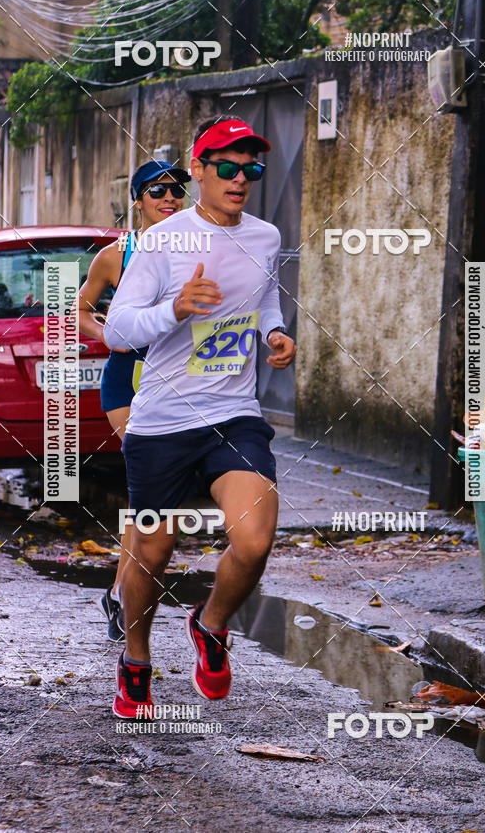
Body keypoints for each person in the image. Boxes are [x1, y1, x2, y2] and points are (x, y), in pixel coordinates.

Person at [104, 116, 297, 716]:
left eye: (252, 169)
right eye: (228, 167)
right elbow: (117, 329)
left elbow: (264, 293)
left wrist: (274, 331)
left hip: (233, 414)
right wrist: (175, 310)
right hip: (161, 422)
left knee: (254, 540)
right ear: (201, 171)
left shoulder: (265, 237)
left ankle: (210, 624)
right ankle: (136, 659)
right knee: (151, 553)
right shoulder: (162, 241)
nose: (241, 179)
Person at [77, 159, 190, 641]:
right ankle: (123, 595)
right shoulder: (115, 256)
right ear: (138, 199)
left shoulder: (196, 247)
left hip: (179, 382)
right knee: (149, 486)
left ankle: (119, 593)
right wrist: (110, 336)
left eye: (176, 190)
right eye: (157, 191)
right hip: (128, 383)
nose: (169, 198)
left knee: (159, 495)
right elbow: (80, 309)